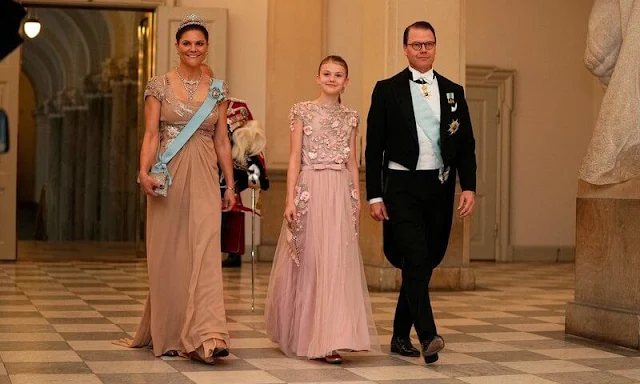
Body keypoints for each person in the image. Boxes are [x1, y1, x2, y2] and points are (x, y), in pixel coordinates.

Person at [114, 14, 235, 365]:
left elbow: (222, 140)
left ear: (207, 46)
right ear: (177, 46)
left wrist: (229, 185)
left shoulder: (219, 89)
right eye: (187, 43)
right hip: (168, 173)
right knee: (169, 252)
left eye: (199, 43)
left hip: (205, 173)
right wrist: (142, 172)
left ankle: (209, 335)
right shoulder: (159, 85)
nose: (193, 49)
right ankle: (169, 333)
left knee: (206, 250)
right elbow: (151, 134)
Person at [365, 21, 477, 364]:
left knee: (424, 262)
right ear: (405, 48)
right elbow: (373, 148)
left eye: (428, 44)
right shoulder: (387, 89)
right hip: (401, 186)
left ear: (435, 47)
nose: (423, 50)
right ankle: (427, 334)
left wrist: (469, 186)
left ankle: (400, 336)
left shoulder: (453, 91)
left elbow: (466, 144)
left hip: (439, 186)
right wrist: (374, 195)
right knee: (414, 258)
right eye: (416, 45)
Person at [264, 55, 379, 364]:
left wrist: (356, 199)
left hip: (340, 192)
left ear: (346, 81)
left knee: (336, 263)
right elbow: (293, 159)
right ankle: (306, 334)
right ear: (317, 77)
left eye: (338, 74)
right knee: (312, 260)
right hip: (310, 190)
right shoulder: (302, 111)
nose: (331, 78)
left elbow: (353, 163)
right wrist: (289, 199)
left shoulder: (351, 117)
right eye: (326, 73)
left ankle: (333, 337)